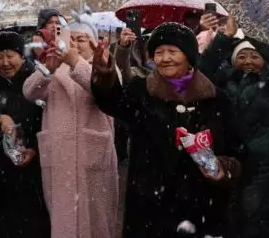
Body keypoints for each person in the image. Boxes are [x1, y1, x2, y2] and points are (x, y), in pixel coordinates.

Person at [91, 22, 244, 238]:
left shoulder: (217, 99)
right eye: (159, 52)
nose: (165, 58)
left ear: (189, 56)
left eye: (172, 51)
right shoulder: (141, 92)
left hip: (203, 208)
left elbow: (238, 150)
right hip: (150, 208)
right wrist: (105, 72)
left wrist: (224, 168)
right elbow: (111, 102)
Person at [22, 12, 118, 238]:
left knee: (97, 221)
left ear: (94, 43)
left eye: (81, 39)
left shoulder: (105, 69)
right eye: (70, 39)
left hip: (93, 155)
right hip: (59, 156)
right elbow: (29, 91)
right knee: (63, 219)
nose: (74, 44)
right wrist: (47, 68)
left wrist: (76, 62)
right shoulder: (54, 69)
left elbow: (104, 91)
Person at [198, 15, 269, 237]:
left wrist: (251, 35)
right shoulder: (224, 84)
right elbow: (201, 73)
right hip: (232, 165)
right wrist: (224, 38)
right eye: (242, 56)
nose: (248, 61)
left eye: (255, 56)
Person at [0, 31, 50, 238]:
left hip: (32, 172)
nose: (4, 62)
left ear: (22, 57)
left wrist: (34, 148)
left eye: (10, 56)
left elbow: (47, 120)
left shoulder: (36, 81)